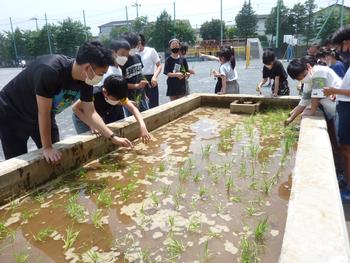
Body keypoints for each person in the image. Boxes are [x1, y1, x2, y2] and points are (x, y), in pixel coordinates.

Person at [0, 41, 133, 164]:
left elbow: (91, 112)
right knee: (17, 162)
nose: (102, 77)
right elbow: (43, 112)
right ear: (88, 68)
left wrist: (112, 137)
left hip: (44, 115)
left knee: (56, 157)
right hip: (12, 114)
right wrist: (46, 148)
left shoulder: (86, 80)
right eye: (101, 73)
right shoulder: (50, 71)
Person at [72, 74, 151, 143]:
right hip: (82, 115)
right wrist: (90, 124)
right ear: (105, 92)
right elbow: (75, 108)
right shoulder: (94, 94)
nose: (118, 102)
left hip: (98, 114)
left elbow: (134, 109)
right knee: (91, 138)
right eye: (115, 99)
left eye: (119, 100)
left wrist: (143, 127)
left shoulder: (118, 94)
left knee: (104, 133)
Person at [322, 27, 350, 202]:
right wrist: (337, 93)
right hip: (344, 106)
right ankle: (346, 181)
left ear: (346, 43)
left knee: (347, 150)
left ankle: (348, 189)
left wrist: (333, 90)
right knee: (345, 149)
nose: (338, 51)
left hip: (348, 109)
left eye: (338, 47)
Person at [285, 56, 340, 125]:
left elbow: (316, 94)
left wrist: (312, 111)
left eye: (304, 75)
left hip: (340, 105)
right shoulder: (307, 82)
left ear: (308, 67)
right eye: (299, 79)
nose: (303, 78)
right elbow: (304, 101)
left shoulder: (319, 72)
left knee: (341, 133)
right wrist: (291, 118)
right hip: (333, 109)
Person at [119, 32, 149, 116]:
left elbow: (139, 75)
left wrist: (145, 94)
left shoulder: (138, 57)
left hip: (141, 96)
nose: (138, 46)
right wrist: (136, 86)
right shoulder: (122, 62)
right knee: (133, 121)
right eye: (137, 44)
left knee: (146, 116)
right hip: (129, 100)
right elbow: (121, 84)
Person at [137, 34, 162, 109]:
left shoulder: (151, 51)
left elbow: (159, 66)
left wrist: (154, 77)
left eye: (138, 41)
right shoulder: (133, 54)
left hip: (151, 80)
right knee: (140, 106)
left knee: (153, 105)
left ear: (142, 41)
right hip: (138, 81)